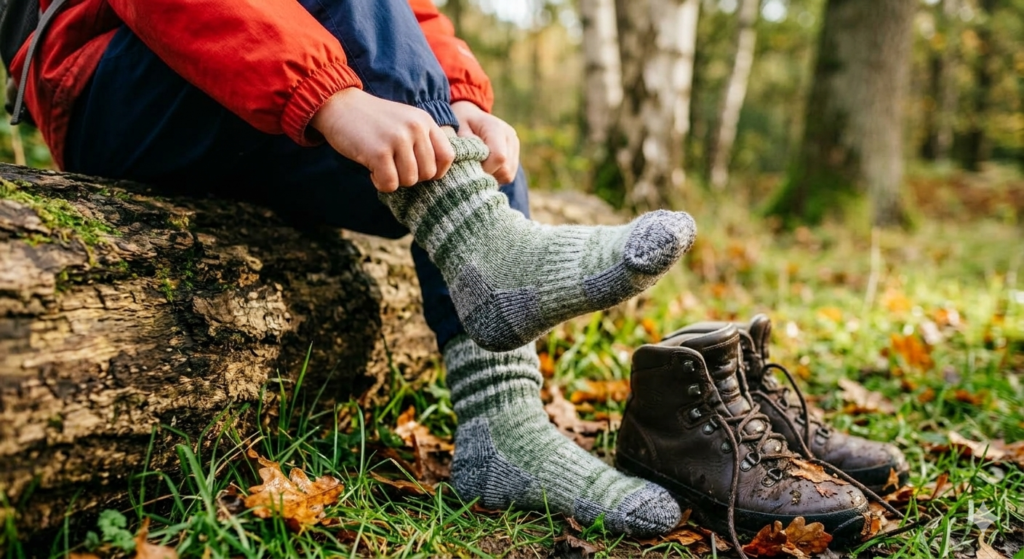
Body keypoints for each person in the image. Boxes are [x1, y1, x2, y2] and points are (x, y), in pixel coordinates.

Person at [9, 0, 906, 542]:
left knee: (462, 145)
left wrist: (464, 106)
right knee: (453, 172)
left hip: (254, 82)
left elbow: (397, 14)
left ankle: (500, 432)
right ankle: (490, 250)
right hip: (108, 81)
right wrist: (331, 98)